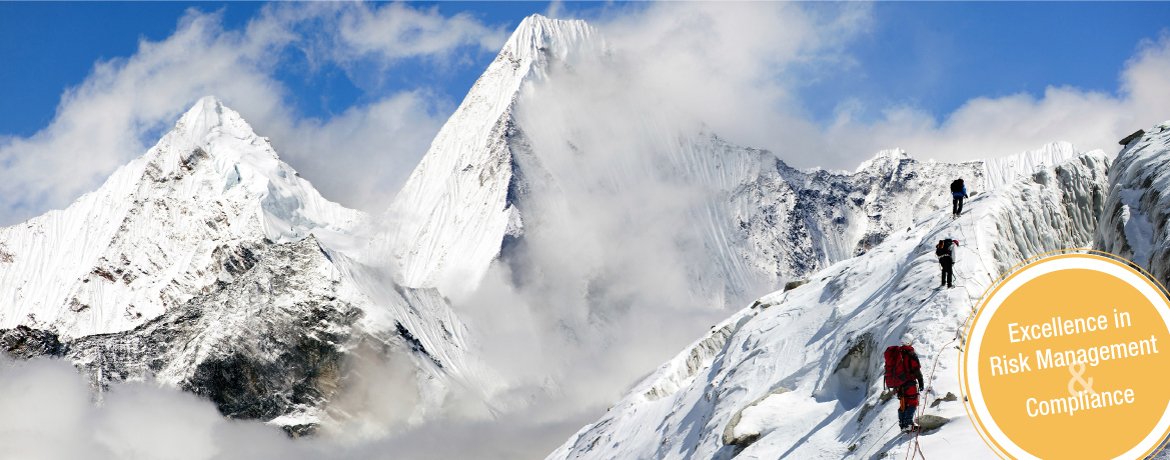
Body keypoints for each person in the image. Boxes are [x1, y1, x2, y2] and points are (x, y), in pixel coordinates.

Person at [884, 342, 926, 432]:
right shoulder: (910, 354)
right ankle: (908, 425)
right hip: (909, 383)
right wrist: (921, 382)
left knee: (903, 403)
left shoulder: (898, 355)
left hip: (899, 384)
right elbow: (916, 370)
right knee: (912, 402)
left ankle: (903, 425)